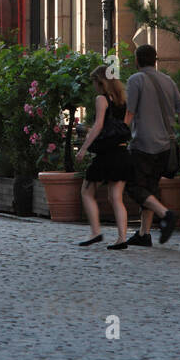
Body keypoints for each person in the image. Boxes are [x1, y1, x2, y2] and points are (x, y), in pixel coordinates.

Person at [123, 44, 180, 247]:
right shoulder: (168, 81)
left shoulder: (136, 80)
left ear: (137, 60)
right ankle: (144, 234)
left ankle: (166, 214)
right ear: (155, 60)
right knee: (150, 187)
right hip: (165, 146)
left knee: (134, 186)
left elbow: (129, 113)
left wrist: (120, 135)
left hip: (143, 144)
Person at [76, 65, 133, 249]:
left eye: (94, 81)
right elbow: (125, 126)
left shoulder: (102, 99)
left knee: (87, 191)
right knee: (116, 197)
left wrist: (84, 148)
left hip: (106, 154)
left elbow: (99, 125)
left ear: (100, 82)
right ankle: (122, 237)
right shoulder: (123, 100)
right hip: (122, 151)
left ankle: (95, 232)